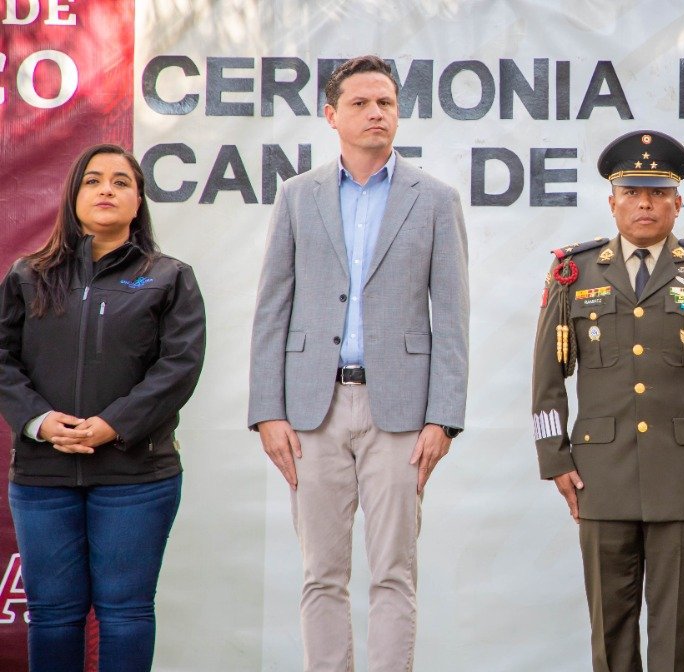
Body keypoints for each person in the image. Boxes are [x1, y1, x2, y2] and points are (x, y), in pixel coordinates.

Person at [247, 55, 469, 672]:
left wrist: (443, 419)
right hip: (310, 411)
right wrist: (268, 412)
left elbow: (452, 318)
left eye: (386, 103)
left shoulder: (435, 199)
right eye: (362, 103)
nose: (376, 113)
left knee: (394, 572)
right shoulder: (298, 196)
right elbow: (271, 309)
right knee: (321, 573)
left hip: (401, 413)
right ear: (331, 115)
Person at [532, 130, 684, 671]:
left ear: (678, 202)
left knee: (675, 632)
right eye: (632, 192)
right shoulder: (573, 272)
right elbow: (546, 380)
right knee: (609, 632)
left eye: (658, 193)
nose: (645, 204)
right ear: (612, 202)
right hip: (600, 474)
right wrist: (554, 459)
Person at [0, 143, 206, 670]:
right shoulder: (27, 276)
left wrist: (114, 425)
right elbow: (3, 360)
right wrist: (40, 422)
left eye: (121, 181)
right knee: (53, 615)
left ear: (138, 202)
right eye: (92, 180)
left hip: (137, 477)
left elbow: (179, 366)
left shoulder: (170, 277)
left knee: (125, 614)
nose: (106, 190)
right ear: (73, 197)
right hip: (44, 478)